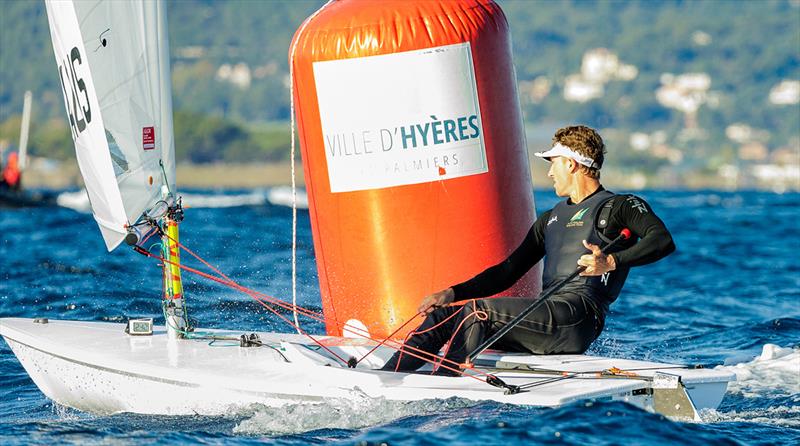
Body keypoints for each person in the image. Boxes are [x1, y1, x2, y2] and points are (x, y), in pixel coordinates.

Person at [382, 125, 675, 375]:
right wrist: (452, 293)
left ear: (571, 164)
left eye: (553, 162)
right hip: (546, 315)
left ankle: (443, 385)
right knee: (444, 316)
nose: (549, 172)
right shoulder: (550, 218)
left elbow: (661, 239)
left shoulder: (619, 206)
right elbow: (508, 271)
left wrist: (610, 261)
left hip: (579, 317)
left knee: (477, 314)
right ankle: (389, 379)